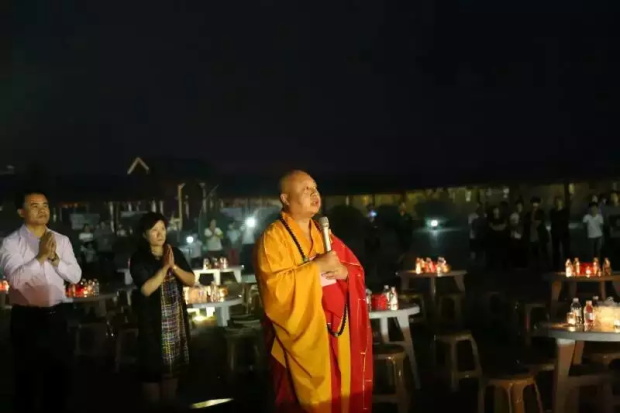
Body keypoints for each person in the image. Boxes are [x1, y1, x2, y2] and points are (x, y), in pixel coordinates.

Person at [254, 170, 373, 413]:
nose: (314, 193)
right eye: (305, 189)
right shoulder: (273, 238)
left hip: (337, 331)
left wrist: (344, 272)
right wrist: (316, 267)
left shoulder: (324, 233)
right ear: (286, 198)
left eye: (315, 188)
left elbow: (354, 269)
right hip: (303, 334)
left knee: (341, 392)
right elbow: (275, 289)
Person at [0, 189, 82, 413]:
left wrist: (54, 258)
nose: (42, 210)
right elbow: (15, 280)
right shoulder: (11, 243)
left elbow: (75, 276)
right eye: (34, 206)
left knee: (58, 381)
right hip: (27, 319)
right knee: (26, 382)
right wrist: (41, 256)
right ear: (21, 212)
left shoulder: (61, 240)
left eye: (45, 205)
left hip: (56, 317)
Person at [129, 212, 195, 409]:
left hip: (175, 323)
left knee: (172, 373)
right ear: (144, 234)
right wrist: (164, 268)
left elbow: (191, 280)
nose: (160, 234)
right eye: (154, 230)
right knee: (151, 369)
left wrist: (174, 267)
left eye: (163, 229)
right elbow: (146, 289)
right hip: (152, 323)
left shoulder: (174, 252)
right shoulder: (139, 258)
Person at [549, 196, 571, 269]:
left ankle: (568, 265)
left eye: (559, 201)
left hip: (564, 233)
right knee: (555, 251)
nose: (558, 203)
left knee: (566, 250)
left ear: (562, 202)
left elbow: (564, 220)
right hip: (555, 233)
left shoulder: (565, 211)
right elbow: (553, 220)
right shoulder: (552, 211)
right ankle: (556, 267)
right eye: (556, 202)